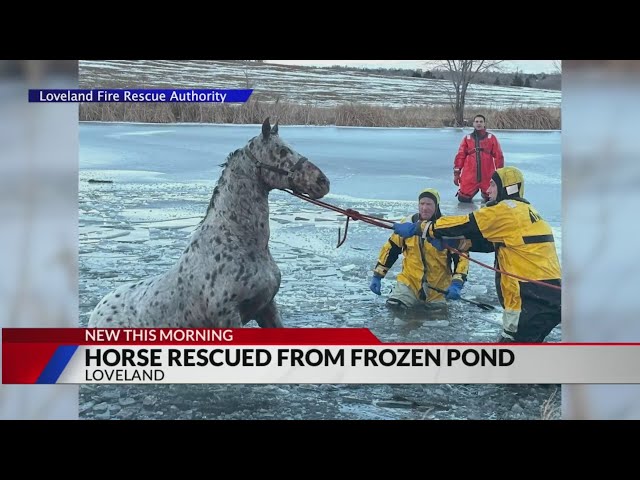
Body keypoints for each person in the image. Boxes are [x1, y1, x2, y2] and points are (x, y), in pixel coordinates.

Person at [392, 167, 561, 343]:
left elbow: (466, 224)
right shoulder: (526, 211)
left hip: (529, 296)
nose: (487, 191)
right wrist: (455, 243)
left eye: (493, 185)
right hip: (549, 294)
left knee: (513, 355)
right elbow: (490, 244)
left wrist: (420, 228)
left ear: (506, 187)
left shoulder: (505, 210)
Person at [369, 188, 469, 309]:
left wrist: (457, 283)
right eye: (422, 204)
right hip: (409, 282)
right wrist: (378, 275)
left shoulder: (446, 227)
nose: (424, 208)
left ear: (436, 206)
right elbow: (391, 249)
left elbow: (462, 258)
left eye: (429, 204)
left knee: (437, 317)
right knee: (395, 307)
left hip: (438, 288)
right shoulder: (407, 224)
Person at [453, 114, 505, 203]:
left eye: (481, 121)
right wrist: (457, 173)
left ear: (484, 124)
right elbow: (460, 156)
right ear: (473, 124)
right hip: (470, 175)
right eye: (476, 121)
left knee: (491, 199)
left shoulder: (491, 138)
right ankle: (471, 192)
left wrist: (500, 173)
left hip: (487, 175)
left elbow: (498, 156)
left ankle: (485, 194)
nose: (479, 123)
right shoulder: (467, 139)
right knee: (463, 199)